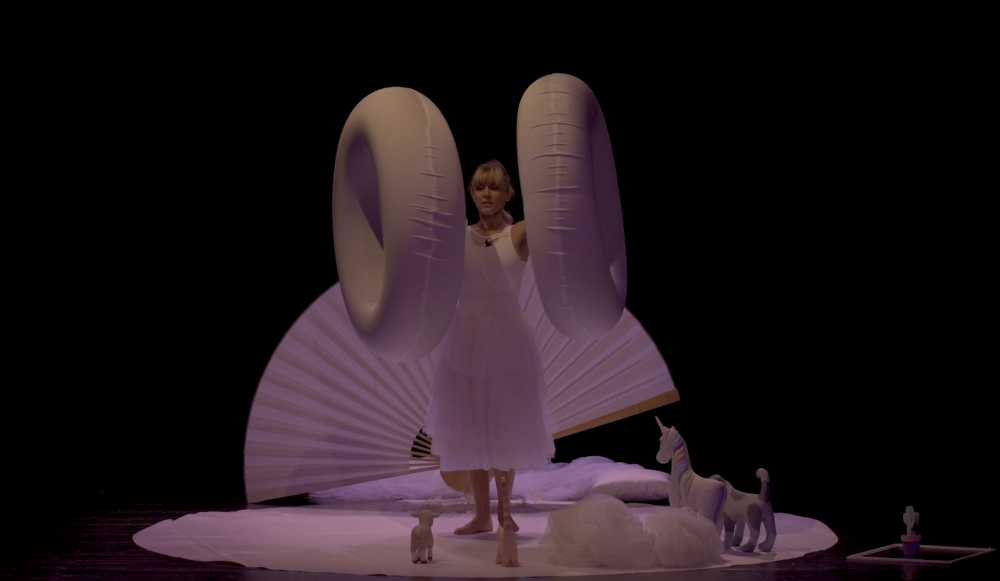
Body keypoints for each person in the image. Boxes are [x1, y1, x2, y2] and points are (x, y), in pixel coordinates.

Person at [423, 160, 556, 567]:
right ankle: (482, 514)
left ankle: (504, 513)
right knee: (471, 423)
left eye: (494, 187)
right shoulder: (458, 237)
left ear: (509, 193)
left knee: (503, 425)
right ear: (470, 192)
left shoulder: (520, 233)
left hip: (506, 338)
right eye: (480, 187)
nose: (486, 194)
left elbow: (553, 215)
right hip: (465, 337)